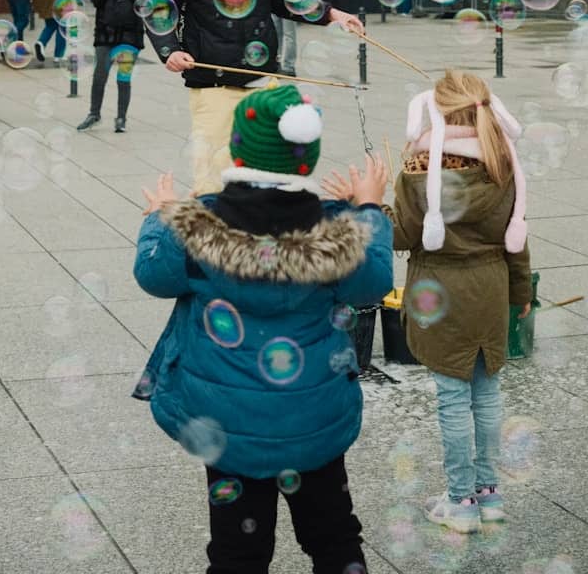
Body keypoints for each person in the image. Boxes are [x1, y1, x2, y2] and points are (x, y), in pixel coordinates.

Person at [133, 82, 393, 574]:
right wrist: (370, 209)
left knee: (237, 553)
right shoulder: (338, 231)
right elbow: (372, 282)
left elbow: (153, 275)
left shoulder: (195, 226)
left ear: (236, 149)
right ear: (306, 159)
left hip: (228, 427)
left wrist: (159, 216)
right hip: (313, 420)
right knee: (334, 538)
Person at [326, 69, 532, 535]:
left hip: (441, 295)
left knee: (454, 400)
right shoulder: (505, 164)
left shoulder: (421, 173)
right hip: (491, 289)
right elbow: (518, 237)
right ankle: (488, 493)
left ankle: (459, 500)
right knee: (487, 390)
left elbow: (400, 234)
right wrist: (520, 292)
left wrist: (364, 206)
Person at [151, 0, 365, 194]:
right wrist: (169, 50)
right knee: (212, 178)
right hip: (212, 80)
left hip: (261, 77)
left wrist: (333, 15)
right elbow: (160, 8)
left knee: (262, 174)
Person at [77, 0, 146, 133]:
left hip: (129, 38)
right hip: (105, 36)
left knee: (123, 78)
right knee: (100, 76)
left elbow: (143, 3)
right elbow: (96, 0)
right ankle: (94, 113)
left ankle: (121, 118)